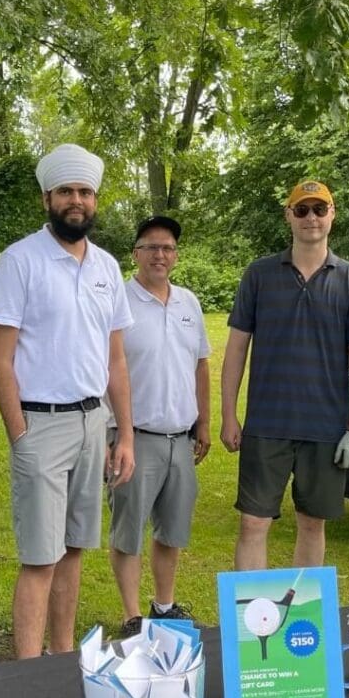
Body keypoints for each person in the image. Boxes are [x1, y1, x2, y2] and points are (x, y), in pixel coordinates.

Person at [0, 144, 135, 658]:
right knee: (40, 558)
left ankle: (63, 656)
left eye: (86, 192)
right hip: (40, 426)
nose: (77, 200)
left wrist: (125, 436)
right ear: (48, 197)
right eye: (67, 191)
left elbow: (116, 362)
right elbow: (0, 358)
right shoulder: (20, 261)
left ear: (95, 200)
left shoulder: (107, 268)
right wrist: (19, 434)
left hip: (95, 423)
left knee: (74, 549)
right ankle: (26, 672)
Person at [221, 181, 349, 569]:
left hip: (326, 429)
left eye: (319, 210)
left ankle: (302, 627)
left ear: (332, 214)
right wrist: (227, 415)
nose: (311, 218)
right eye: (302, 210)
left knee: (312, 525)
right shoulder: (259, 274)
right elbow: (236, 348)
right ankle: (249, 625)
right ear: (288, 215)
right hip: (266, 425)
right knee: (253, 523)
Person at [108, 216, 211, 637]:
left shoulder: (189, 303)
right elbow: (107, 368)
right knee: (129, 530)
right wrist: (115, 436)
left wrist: (204, 420)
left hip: (180, 437)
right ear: (135, 254)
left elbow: (201, 363)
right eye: (151, 247)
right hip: (135, 437)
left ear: (176, 256)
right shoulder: (119, 302)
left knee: (173, 530)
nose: (159, 255)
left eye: (167, 248)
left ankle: (163, 606)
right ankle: (133, 616)